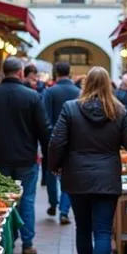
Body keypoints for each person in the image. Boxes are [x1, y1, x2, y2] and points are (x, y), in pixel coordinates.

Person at [47, 67, 127, 254]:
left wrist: (55, 166)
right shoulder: (118, 110)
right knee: (103, 231)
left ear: (86, 84)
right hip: (107, 177)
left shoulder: (71, 108)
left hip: (77, 177)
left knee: (83, 229)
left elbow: (57, 141)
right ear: (107, 85)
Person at [0, 56, 50, 254]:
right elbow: (44, 129)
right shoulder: (32, 96)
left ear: (3, 72)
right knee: (27, 199)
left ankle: (7, 243)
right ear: (20, 73)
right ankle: (27, 243)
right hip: (26, 158)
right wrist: (48, 154)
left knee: (1, 200)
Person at [42, 61, 80, 224]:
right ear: (69, 72)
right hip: (74, 139)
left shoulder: (50, 92)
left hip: (53, 138)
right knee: (69, 175)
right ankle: (64, 210)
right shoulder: (78, 92)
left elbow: (45, 117)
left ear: (55, 73)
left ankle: (53, 203)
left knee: (52, 172)